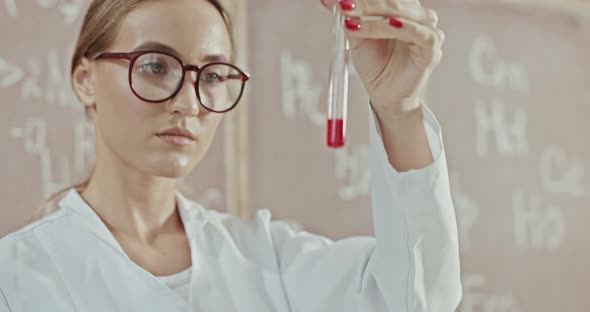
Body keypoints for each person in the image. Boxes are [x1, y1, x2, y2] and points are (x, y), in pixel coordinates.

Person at [0, 0, 461, 311]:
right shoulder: (16, 276)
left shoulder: (265, 258)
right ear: (85, 79)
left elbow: (413, 299)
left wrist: (398, 108)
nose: (190, 101)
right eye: (156, 67)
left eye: (214, 76)